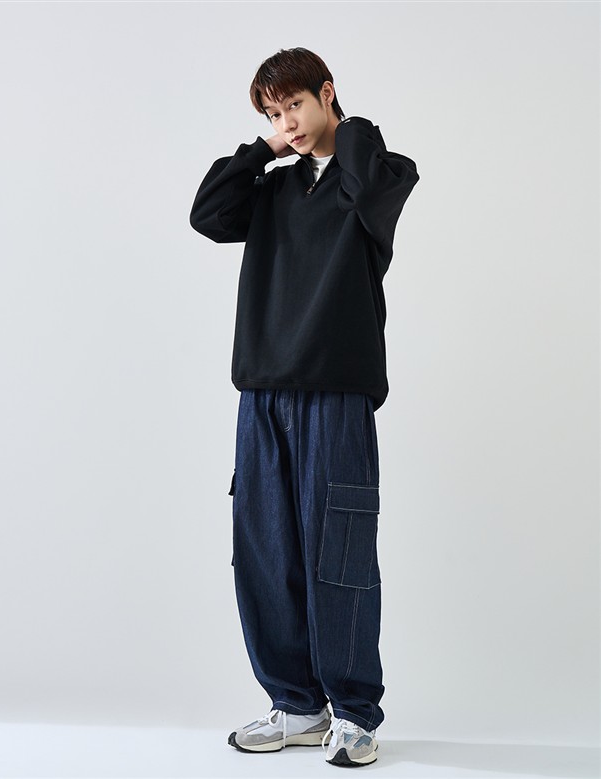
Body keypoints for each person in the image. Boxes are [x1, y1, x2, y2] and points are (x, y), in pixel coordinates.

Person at [189, 47, 420, 768]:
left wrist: (346, 128)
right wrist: (264, 149)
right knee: (264, 550)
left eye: (294, 105)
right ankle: (295, 703)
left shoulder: (375, 174)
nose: (285, 121)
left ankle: (353, 712)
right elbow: (207, 213)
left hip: (337, 391)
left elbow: (367, 184)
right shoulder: (271, 189)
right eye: (272, 111)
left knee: (338, 551)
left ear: (327, 92)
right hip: (262, 390)